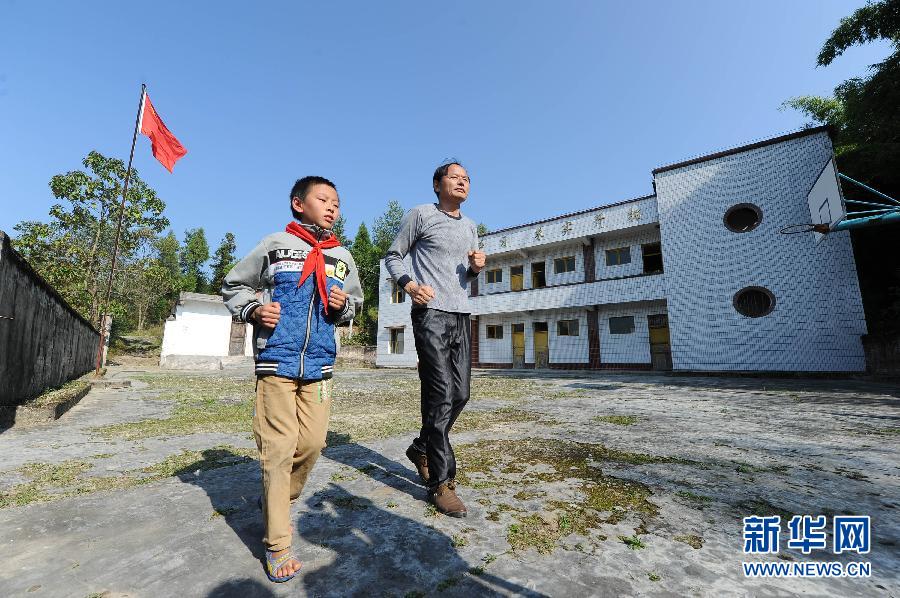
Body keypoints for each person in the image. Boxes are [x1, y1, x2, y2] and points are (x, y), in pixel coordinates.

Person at [222, 176, 363, 582]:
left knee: (314, 442)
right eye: (324, 199)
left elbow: (354, 302)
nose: (332, 206)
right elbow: (234, 285)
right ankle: (278, 543)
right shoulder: (273, 245)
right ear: (298, 203)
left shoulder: (343, 257)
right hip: (276, 362)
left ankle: (277, 501)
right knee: (278, 449)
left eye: (337, 201)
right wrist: (253, 311)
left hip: (319, 364)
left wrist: (343, 307)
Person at [385, 161, 486, 517]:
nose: (462, 182)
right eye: (455, 177)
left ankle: (421, 447)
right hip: (430, 314)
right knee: (441, 393)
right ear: (437, 184)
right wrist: (410, 285)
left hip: (460, 314)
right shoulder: (421, 215)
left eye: (467, 179)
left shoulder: (471, 227)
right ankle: (441, 483)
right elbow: (393, 256)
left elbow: (465, 279)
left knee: (461, 394)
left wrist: (475, 268)